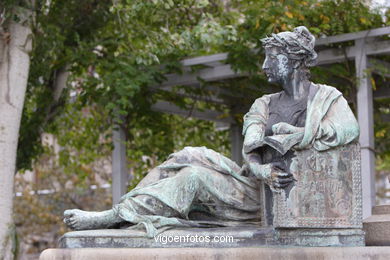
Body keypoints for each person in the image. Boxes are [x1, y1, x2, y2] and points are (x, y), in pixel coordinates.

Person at [63, 26, 359, 237]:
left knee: (194, 176)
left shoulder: (327, 98)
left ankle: (115, 217)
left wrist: (296, 134)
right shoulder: (264, 103)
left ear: (294, 61)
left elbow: (347, 129)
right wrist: (262, 171)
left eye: (271, 57)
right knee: (188, 155)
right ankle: (123, 213)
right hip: (254, 183)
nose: (264, 65)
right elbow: (252, 148)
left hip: (279, 197)